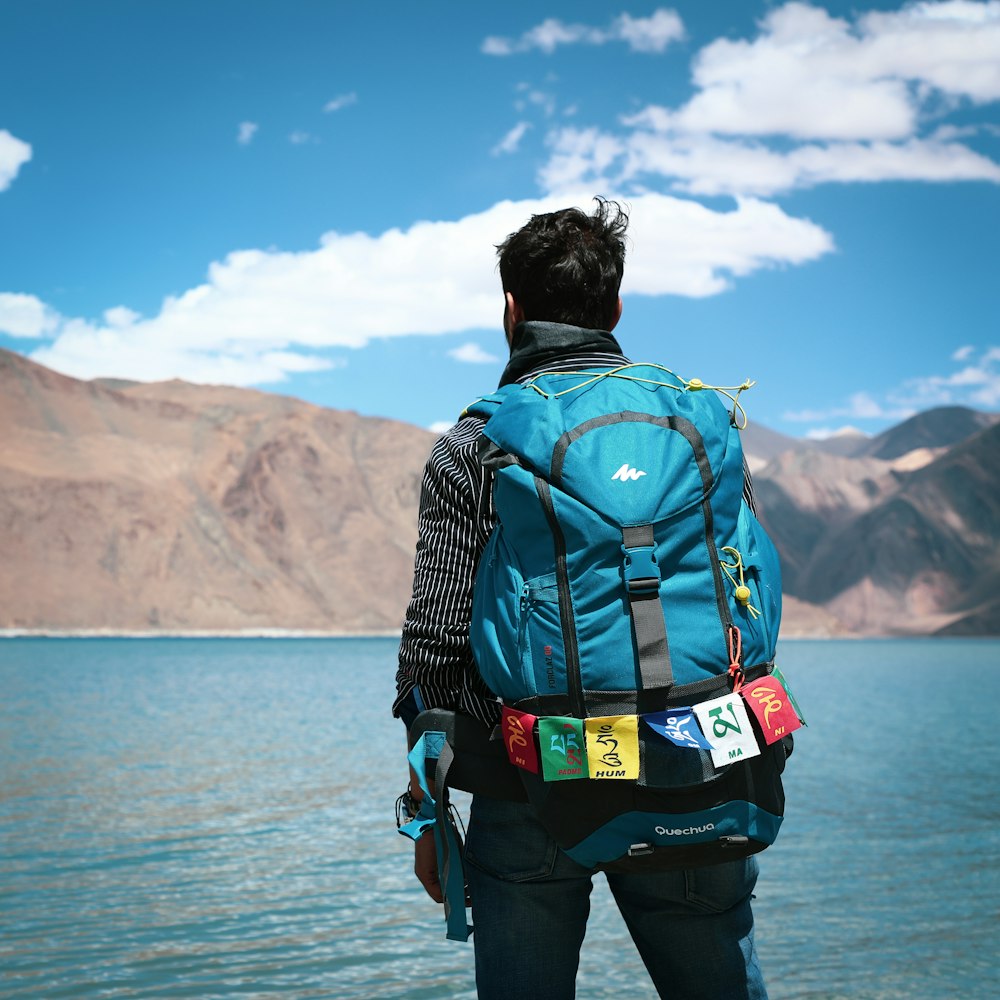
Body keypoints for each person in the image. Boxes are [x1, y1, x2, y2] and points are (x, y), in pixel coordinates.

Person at [393, 198, 767, 999]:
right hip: (699, 761)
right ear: (617, 306)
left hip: (533, 779)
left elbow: (434, 649)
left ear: (511, 309)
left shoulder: (477, 444)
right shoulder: (700, 421)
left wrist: (433, 814)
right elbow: (747, 594)